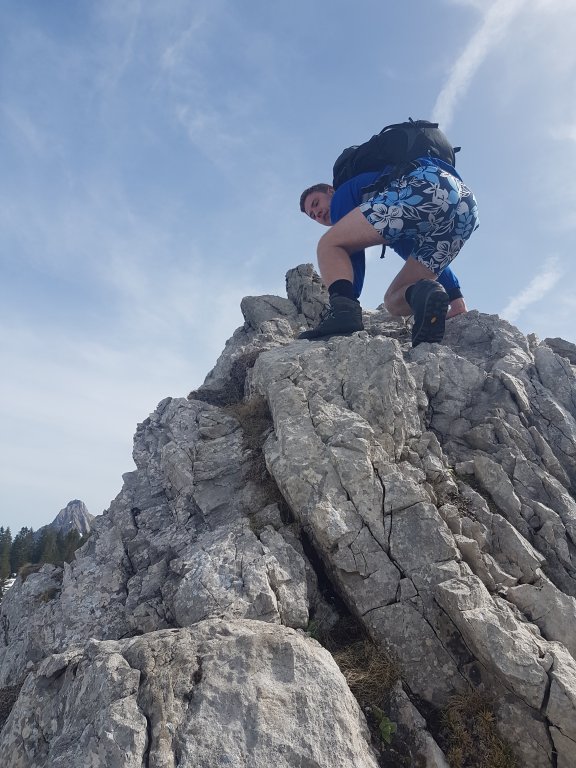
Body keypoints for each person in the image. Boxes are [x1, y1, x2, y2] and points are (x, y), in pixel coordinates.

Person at [298, 157, 478, 346]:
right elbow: (414, 254)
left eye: (316, 203)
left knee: (328, 244)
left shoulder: (342, 195)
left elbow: (349, 256)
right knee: (393, 301)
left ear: (330, 191)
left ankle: (343, 313)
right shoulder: (394, 216)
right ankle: (424, 296)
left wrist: (344, 304)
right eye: (313, 216)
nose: (317, 214)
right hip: (465, 207)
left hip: (424, 184)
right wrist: (455, 297)